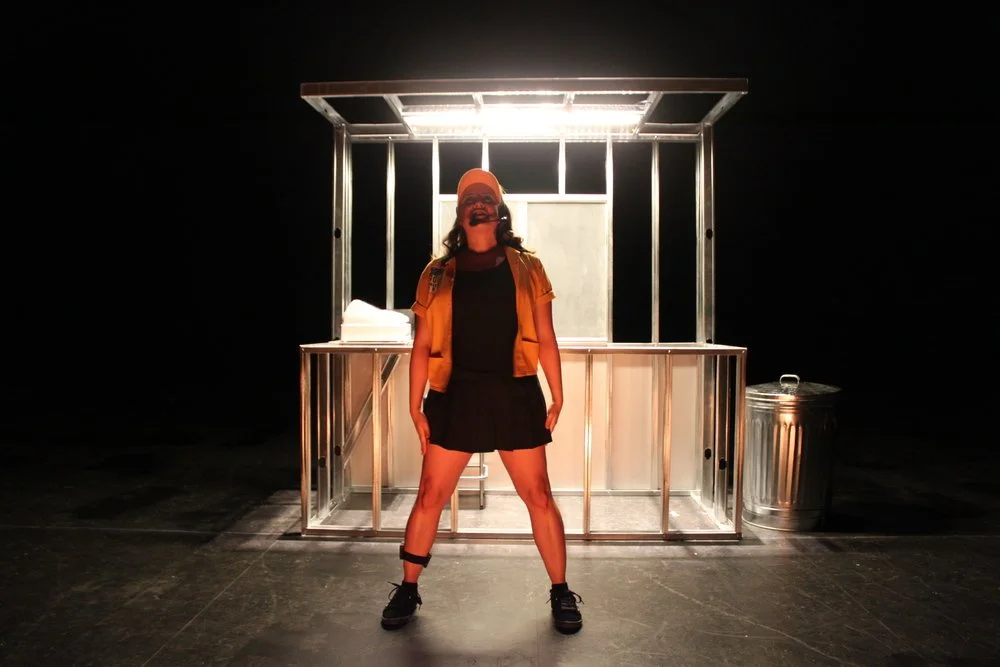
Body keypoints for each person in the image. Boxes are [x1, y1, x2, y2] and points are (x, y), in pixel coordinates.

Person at [380, 168, 583, 634]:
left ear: (498, 210)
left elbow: (546, 335)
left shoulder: (528, 267)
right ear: (460, 212)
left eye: (486, 197)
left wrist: (558, 392)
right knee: (430, 494)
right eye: (470, 197)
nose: (478, 202)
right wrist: (414, 406)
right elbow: (421, 343)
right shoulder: (436, 273)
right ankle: (407, 587)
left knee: (539, 495)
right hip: (454, 395)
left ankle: (561, 590)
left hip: (515, 390)